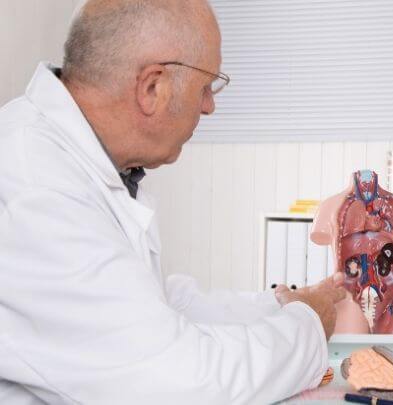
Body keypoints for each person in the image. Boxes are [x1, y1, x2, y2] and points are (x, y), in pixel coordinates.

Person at [0, 0, 345, 403]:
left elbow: (159, 306)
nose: (209, 106)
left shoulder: (85, 162)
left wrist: (277, 304)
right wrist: (308, 325)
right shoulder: (38, 185)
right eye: (206, 87)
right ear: (152, 86)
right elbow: (182, 382)